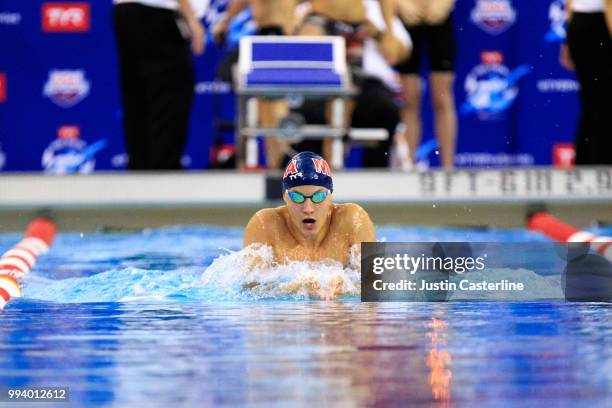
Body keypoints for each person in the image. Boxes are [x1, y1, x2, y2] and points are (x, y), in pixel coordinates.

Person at [243, 152, 376, 298]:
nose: (308, 208)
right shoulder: (265, 224)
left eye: (318, 197)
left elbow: (381, 283)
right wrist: (295, 288)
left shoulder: (352, 220)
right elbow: (248, 290)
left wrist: (345, 287)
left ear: (331, 195)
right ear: (285, 196)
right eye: (297, 197)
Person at [113, 0, 206, 170]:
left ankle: (141, 171)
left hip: (128, 10)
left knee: (138, 96)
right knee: (170, 94)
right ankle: (163, 173)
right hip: (159, 13)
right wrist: (192, 20)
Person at [212, 0, 298, 169]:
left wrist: (224, 21)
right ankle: (254, 163)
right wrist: (226, 20)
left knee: (273, 112)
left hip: (284, 40)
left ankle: (277, 162)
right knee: (262, 112)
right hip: (270, 39)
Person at [396, 0, 457, 169]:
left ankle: (448, 168)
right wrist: (400, 3)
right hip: (406, 13)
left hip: (439, 12)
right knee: (408, 97)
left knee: (442, 96)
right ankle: (409, 166)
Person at [561, 0, 612, 164]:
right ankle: (600, 162)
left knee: (590, 100)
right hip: (601, 25)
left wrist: (567, 42)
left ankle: (585, 161)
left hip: (579, 25)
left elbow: (569, 4)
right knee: (603, 101)